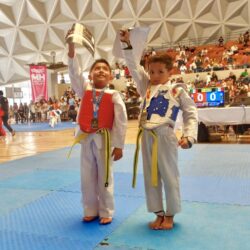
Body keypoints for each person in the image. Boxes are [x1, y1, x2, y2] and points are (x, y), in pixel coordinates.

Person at [117, 29, 198, 230]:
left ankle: (170, 214)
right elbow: (134, 68)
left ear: (170, 72)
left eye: (160, 72)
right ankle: (158, 213)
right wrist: (128, 45)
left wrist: (189, 136)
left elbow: (191, 113)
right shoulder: (145, 86)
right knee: (150, 176)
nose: (154, 76)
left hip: (165, 136)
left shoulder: (177, 90)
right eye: (152, 72)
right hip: (146, 136)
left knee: (169, 176)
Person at [66, 33, 127, 225]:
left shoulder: (114, 94)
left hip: (105, 139)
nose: (100, 71)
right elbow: (75, 74)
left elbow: (121, 121)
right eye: (97, 68)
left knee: (105, 176)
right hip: (85, 137)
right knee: (87, 175)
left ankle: (106, 210)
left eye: (104, 69)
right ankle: (90, 209)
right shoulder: (85, 89)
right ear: (90, 74)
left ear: (110, 76)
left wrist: (119, 145)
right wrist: (71, 51)